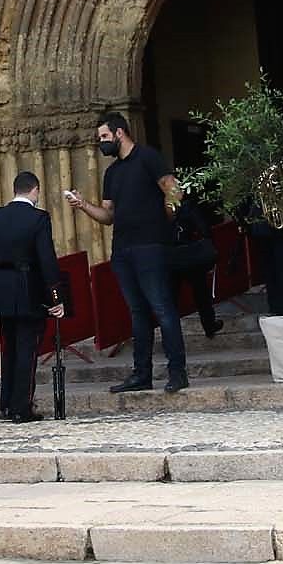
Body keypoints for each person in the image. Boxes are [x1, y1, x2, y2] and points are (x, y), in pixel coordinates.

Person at [67, 111, 189, 393]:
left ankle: (177, 372)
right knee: (137, 312)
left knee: (162, 308)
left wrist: (168, 218)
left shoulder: (148, 157)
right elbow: (108, 214)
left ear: (120, 133)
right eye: (100, 139)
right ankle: (141, 374)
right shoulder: (112, 172)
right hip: (122, 250)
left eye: (105, 137)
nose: (102, 143)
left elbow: (174, 189)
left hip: (151, 246)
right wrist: (83, 205)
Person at [0, 172, 65, 423]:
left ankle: (7, 405)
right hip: (28, 288)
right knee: (27, 349)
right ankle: (21, 407)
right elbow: (47, 259)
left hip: (0, 288)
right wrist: (56, 296)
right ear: (35, 190)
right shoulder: (38, 218)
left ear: (14, 190)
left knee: (10, 349)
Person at [171, 191, 223, 339]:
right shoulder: (187, 207)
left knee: (170, 300)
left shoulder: (157, 208)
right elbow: (204, 229)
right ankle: (209, 325)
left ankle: (171, 336)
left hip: (168, 257)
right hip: (189, 255)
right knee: (201, 294)